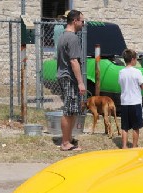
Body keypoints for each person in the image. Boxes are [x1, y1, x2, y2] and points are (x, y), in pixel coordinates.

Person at [56, 9, 86, 151]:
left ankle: (68, 138)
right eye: (82, 21)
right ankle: (65, 142)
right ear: (75, 21)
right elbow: (74, 61)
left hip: (64, 76)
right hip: (69, 78)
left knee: (72, 110)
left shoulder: (63, 36)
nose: (83, 24)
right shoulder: (72, 38)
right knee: (68, 111)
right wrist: (80, 82)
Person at [118, 49, 143, 148]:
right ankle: (134, 146)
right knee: (136, 127)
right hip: (135, 102)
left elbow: (121, 84)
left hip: (125, 102)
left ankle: (124, 146)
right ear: (133, 59)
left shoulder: (121, 72)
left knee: (125, 127)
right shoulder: (137, 72)